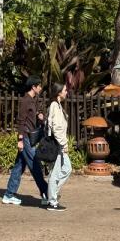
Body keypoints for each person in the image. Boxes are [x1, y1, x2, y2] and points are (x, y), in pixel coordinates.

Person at [2, 76, 49, 206]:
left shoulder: (33, 100)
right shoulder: (25, 101)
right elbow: (21, 121)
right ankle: (46, 192)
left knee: (19, 166)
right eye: (39, 85)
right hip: (26, 138)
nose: (40, 87)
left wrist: (39, 115)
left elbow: (34, 115)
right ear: (33, 87)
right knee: (35, 165)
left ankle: (8, 195)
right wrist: (20, 139)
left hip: (30, 138)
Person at [46, 81, 72, 212]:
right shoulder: (54, 106)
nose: (66, 92)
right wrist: (63, 144)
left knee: (67, 169)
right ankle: (52, 201)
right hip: (57, 144)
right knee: (55, 173)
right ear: (59, 92)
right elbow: (56, 128)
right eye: (65, 90)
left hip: (59, 144)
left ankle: (52, 194)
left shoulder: (58, 105)